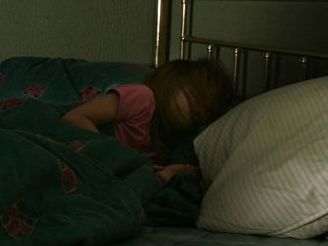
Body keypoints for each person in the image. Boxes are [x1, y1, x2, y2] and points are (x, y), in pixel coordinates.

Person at [62, 59, 234, 183]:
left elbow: (133, 174)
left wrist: (166, 173)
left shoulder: (170, 141)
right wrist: (113, 157)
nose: (201, 110)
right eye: (197, 97)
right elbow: (75, 117)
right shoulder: (143, 98)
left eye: (210, 109)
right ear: (173, 82)